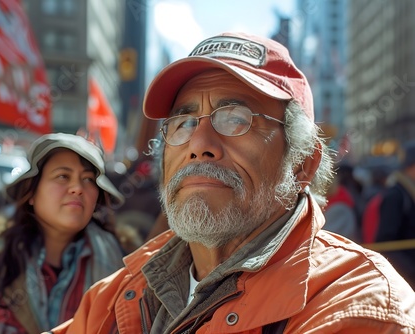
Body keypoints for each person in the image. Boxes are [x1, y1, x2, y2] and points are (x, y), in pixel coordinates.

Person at [48, 32, 415, 333]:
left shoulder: (356, 301)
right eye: (183, 122)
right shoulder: (116, 294)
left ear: (303, 163)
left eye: (235, 118)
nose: (199, 145)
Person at [0, 133, 126, 334]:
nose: (77, 188)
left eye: (88, 179)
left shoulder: (124, 271)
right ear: (31, 192)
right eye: (62, 176)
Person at [375, 141, 415, 288]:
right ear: (411, 166)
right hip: (407, 277)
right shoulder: (396, 195)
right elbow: (386, 243)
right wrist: (411, 271)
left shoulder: (408, 191)